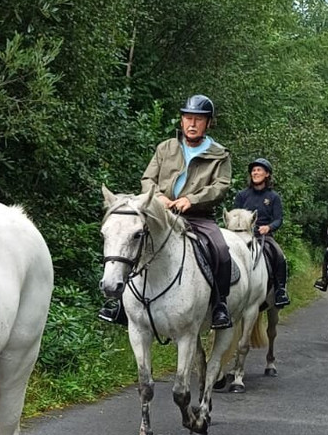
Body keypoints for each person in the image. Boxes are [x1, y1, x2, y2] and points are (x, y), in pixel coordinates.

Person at [99, 94, 234, 330]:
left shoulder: (220, 154)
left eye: (198, 120)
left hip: (197, 216)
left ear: (208, 123)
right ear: (181, 121)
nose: (192, 124)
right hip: (160, 213)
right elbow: (148, 178)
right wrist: (158, 196)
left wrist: (191, 200)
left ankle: (220, 305)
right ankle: (120, 305)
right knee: (129, 241)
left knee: (221, 250)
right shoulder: (166, 147)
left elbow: (221, 186)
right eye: (188, 118)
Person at [233, 157, 290, 307]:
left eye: (259, 170)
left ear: (267, 174)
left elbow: (278, 219)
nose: (255, 172)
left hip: (263, 235)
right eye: (253, 170)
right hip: (242, 234)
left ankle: (280, 291)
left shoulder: (273, 197)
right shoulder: (242, 195)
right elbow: (234, 215)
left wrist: (268, 227)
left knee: (280, 256)